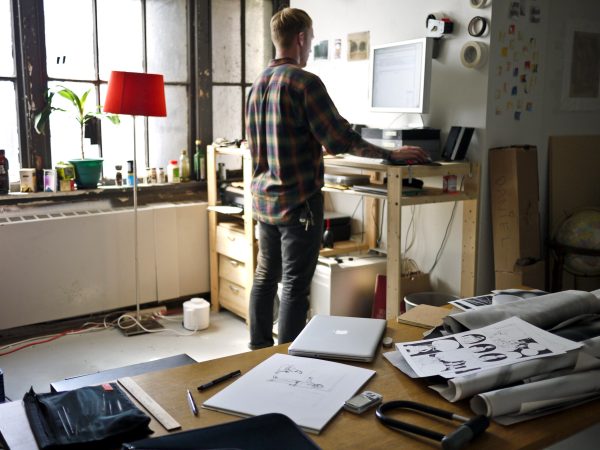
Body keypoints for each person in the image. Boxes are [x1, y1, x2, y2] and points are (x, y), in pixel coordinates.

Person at [245, 7, 429, 349]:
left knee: (265, 277)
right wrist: (391, 154)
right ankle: (288, 359)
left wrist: (313, 144)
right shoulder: (304, 82)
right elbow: (341, 138)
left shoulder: (257, 85)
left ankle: (258, 351)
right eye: (311, 38)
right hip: (298, 204)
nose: (311, 45)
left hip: (265, 201)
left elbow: (275, 139)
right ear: (301, 38)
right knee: (295, 285)